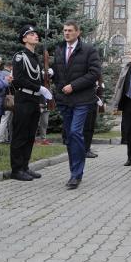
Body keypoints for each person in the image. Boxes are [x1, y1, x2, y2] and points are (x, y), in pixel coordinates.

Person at [52, 20, 100, 190]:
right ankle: (74, 171)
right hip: (65, 101)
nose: (67, 33)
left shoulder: (89, 50)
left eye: (70, 30)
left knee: (75, 132)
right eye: (65, 30)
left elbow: (94, 73)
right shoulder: (59, 49)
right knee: (69, 137)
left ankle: (76, 174)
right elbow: (56, 74)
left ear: (78, 32)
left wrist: (74, 86)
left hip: (82, 100)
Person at [10, 25, 53, 181]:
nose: (36, 36)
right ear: (24, 39)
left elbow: (37, 78)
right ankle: (16, 169)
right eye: (31, 34)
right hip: (24, 98)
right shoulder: (20, 57)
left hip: (34, 99)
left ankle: (25, 166)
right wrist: (39, 87)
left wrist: (46, 79)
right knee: (20, 135)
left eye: (36, 34)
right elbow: (19, 80)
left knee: (30, 136)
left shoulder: (35, 57)